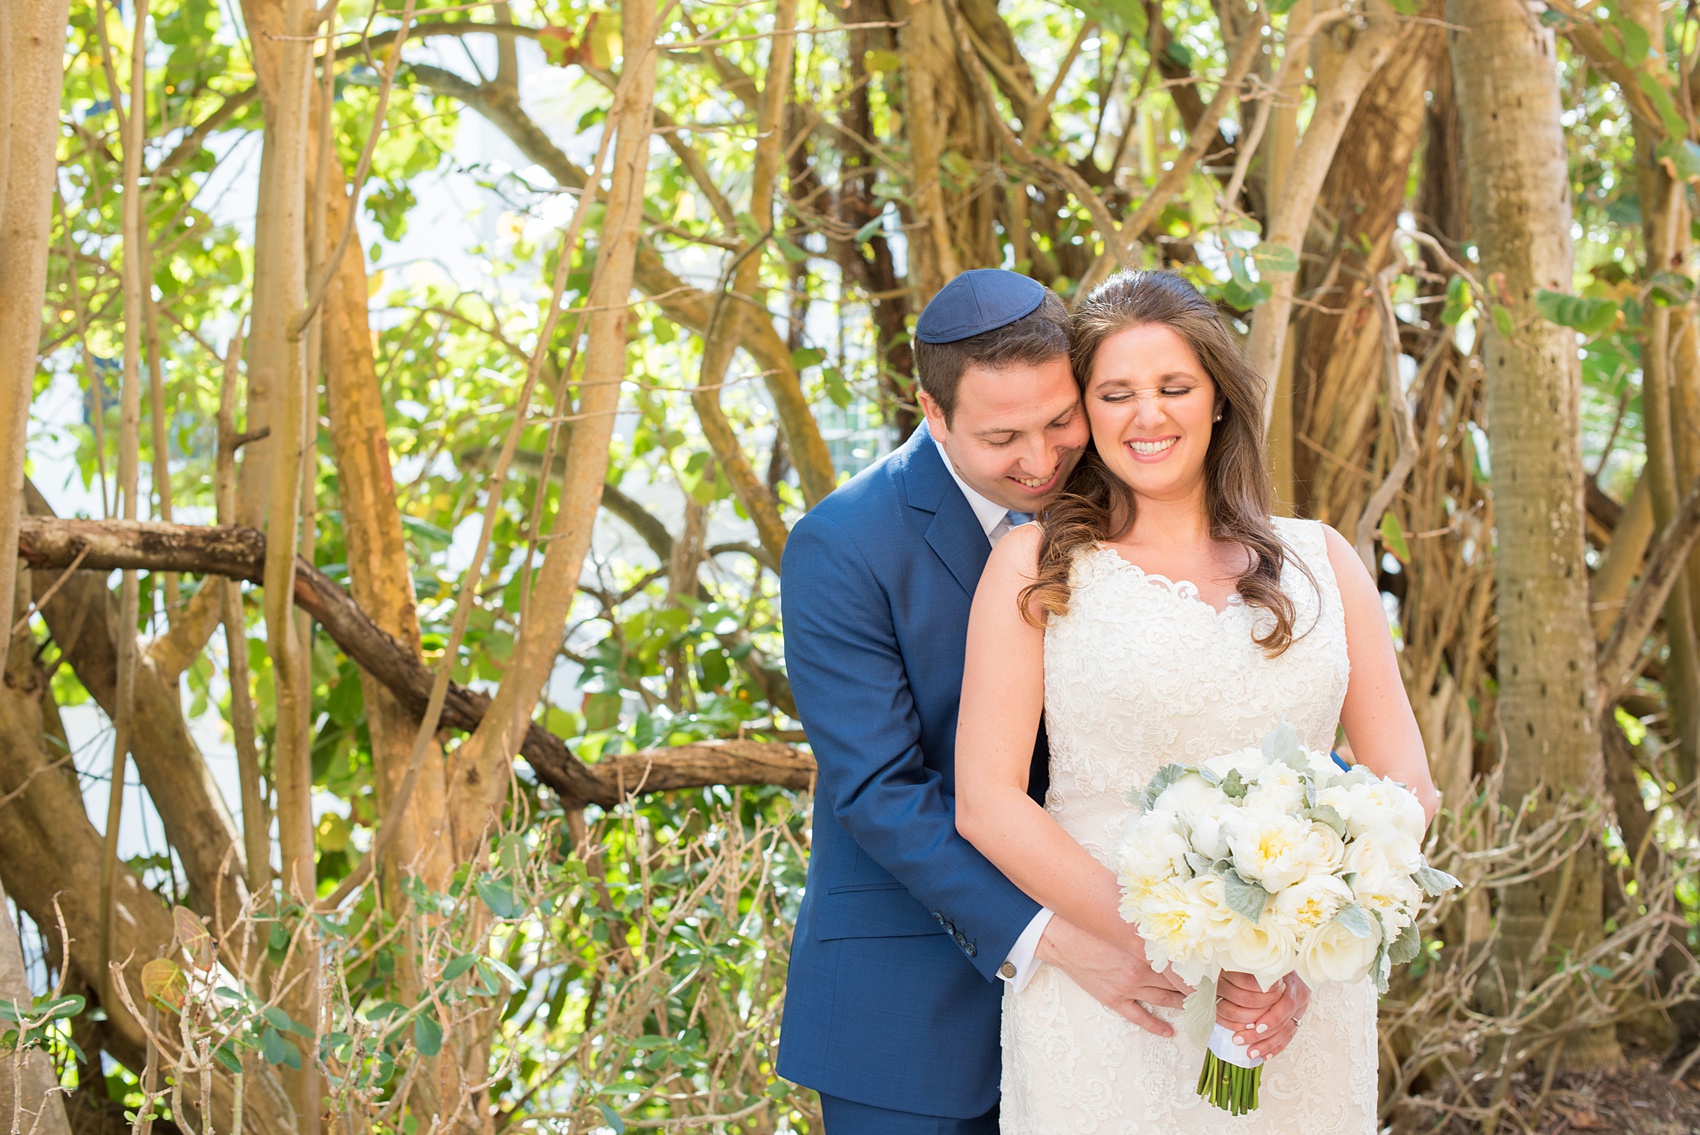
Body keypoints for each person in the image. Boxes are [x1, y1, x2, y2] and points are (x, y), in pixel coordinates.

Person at [777, 270, 1306, 1133]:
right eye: (1002, 437)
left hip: (1138, 1007)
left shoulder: (1128, 503)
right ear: (933, 412)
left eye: (1060, 420)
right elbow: (878, 790)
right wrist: (1056, 939)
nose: (1041, 459)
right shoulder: (844, 543)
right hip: (909, 1006)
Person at [954, 270, 1441, 1133]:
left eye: (1175, 387)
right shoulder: (1036, 567)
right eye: (1117, 392)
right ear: (1086, 413)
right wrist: (1200, 948)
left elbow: (1405, 782)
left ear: (1217, 399)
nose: (1149, 415)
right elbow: (988, 803)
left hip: (1298, 999)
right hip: (1117, 985)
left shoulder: (1322, 559)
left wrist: (1282, 951)